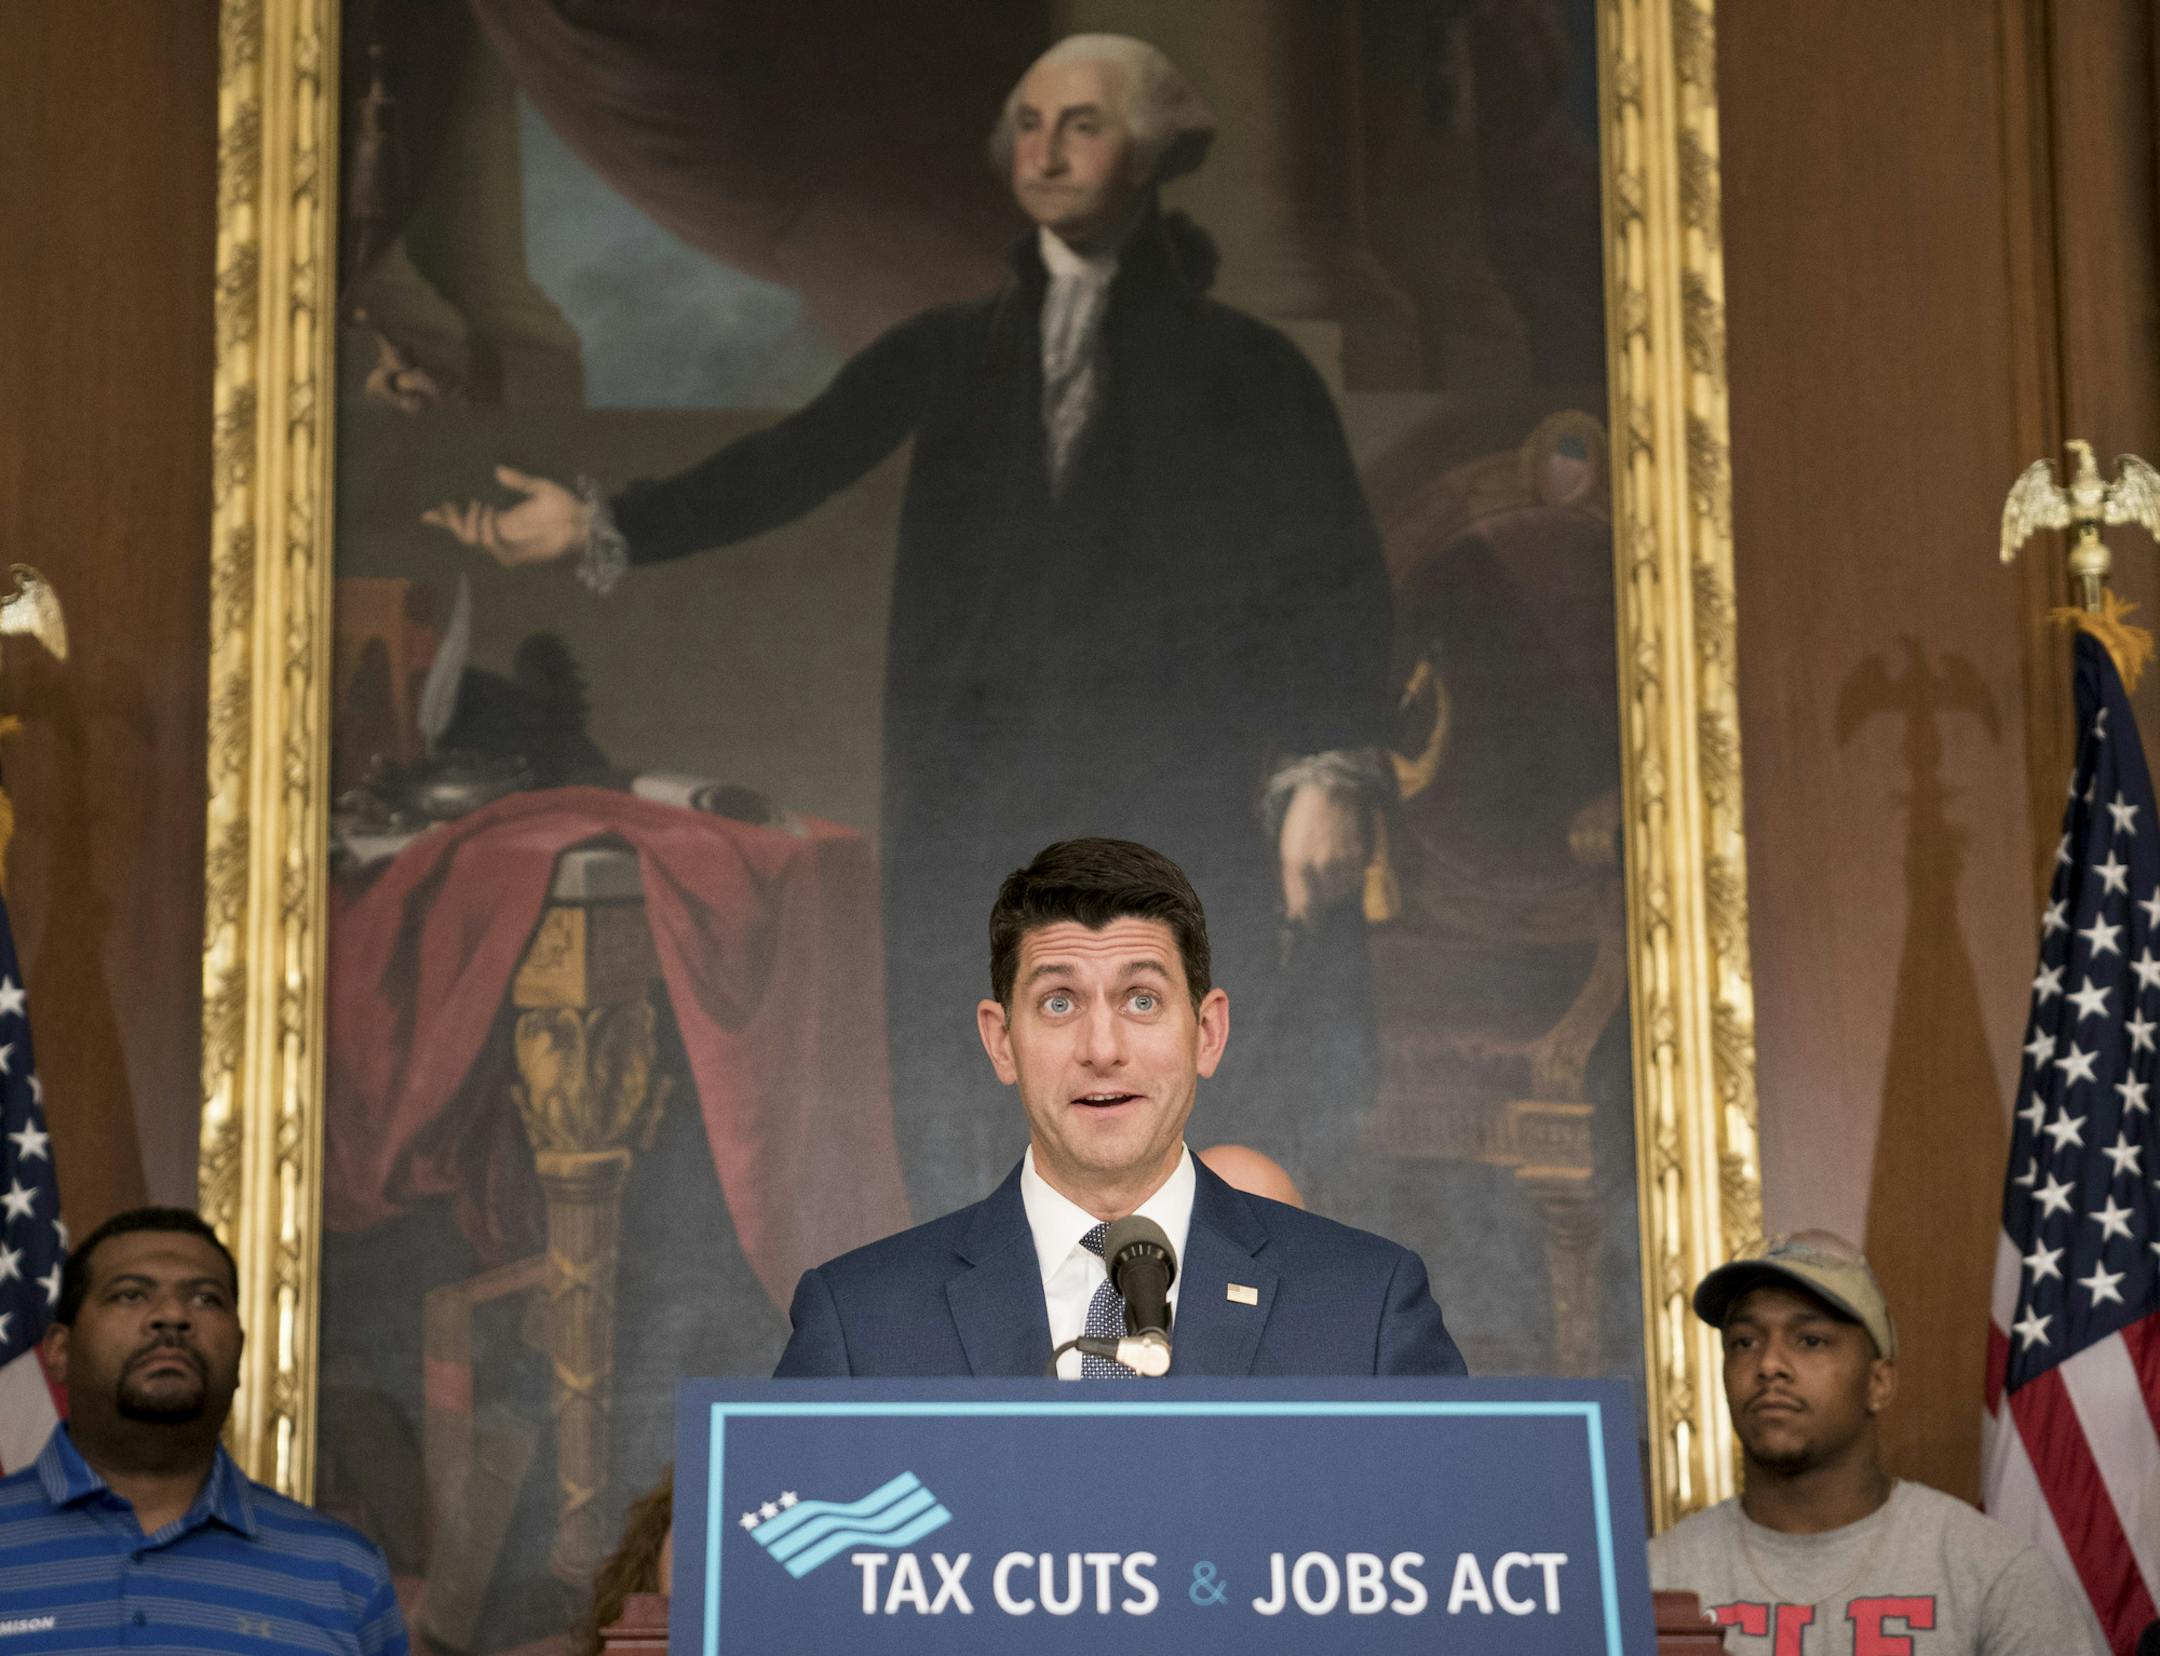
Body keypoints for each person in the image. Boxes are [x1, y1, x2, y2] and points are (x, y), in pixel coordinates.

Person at [423, 34, 1394, 1220]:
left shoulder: (1251, 369)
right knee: (974, 1106)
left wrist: (1328, 769)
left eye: (1081, 125)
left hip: (1172, 794)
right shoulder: (953, 349)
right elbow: (793, 462)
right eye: (1029, 125)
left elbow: (1331, 575)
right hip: (976, 803)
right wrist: (593, 521)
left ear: (1149, 151)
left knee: (1178, 1119)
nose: (1045, 149)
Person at [774, 837, 1465, 1378]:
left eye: (1142, 1000)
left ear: (1209, 1032)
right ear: (1001, 1041)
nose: (1101, 1049)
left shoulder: (1365, 1307)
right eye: (1058, 1002)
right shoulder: (861, 1322)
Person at [1649, 1231, 2100, 1654]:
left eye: (1810, 1340)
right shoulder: (1652, 1579)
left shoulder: (1993, 1574)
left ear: (1879, 1382)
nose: (1769, 1364)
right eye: (1744, 1342)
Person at [0, 1207, 410, 1654]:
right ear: (59, 1351)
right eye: (131, 1294)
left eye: (206, 1299)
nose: (173, 1315)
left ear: (239, 1351)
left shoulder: (345, 1574)